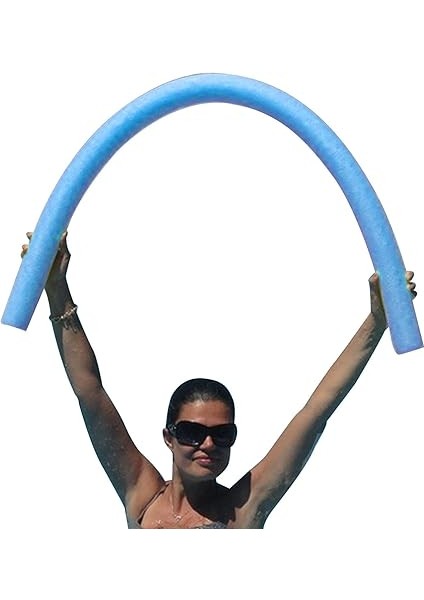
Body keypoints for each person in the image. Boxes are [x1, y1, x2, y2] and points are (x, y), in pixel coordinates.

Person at [21, 231, 417, 529]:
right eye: (193, 432)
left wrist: (377, 322)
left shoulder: (242, 509)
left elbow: (317, 410)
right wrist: (56, 287)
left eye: (222, 434)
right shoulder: (141, 495)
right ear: (169, 436)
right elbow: (89, 391)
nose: (208, 444)